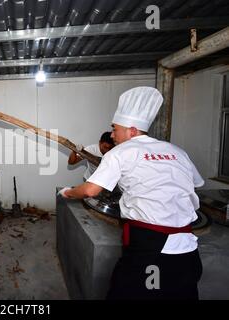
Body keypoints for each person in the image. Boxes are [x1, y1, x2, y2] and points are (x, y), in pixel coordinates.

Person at [59, 86, 204, 300]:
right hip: (189, 253)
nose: (111, 133)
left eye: (115, 128)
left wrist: (68, 192)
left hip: (152, 251)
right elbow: (195, 184)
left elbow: (90, 189)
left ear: (132, 131)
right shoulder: (176, 151)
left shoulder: (120, 153)